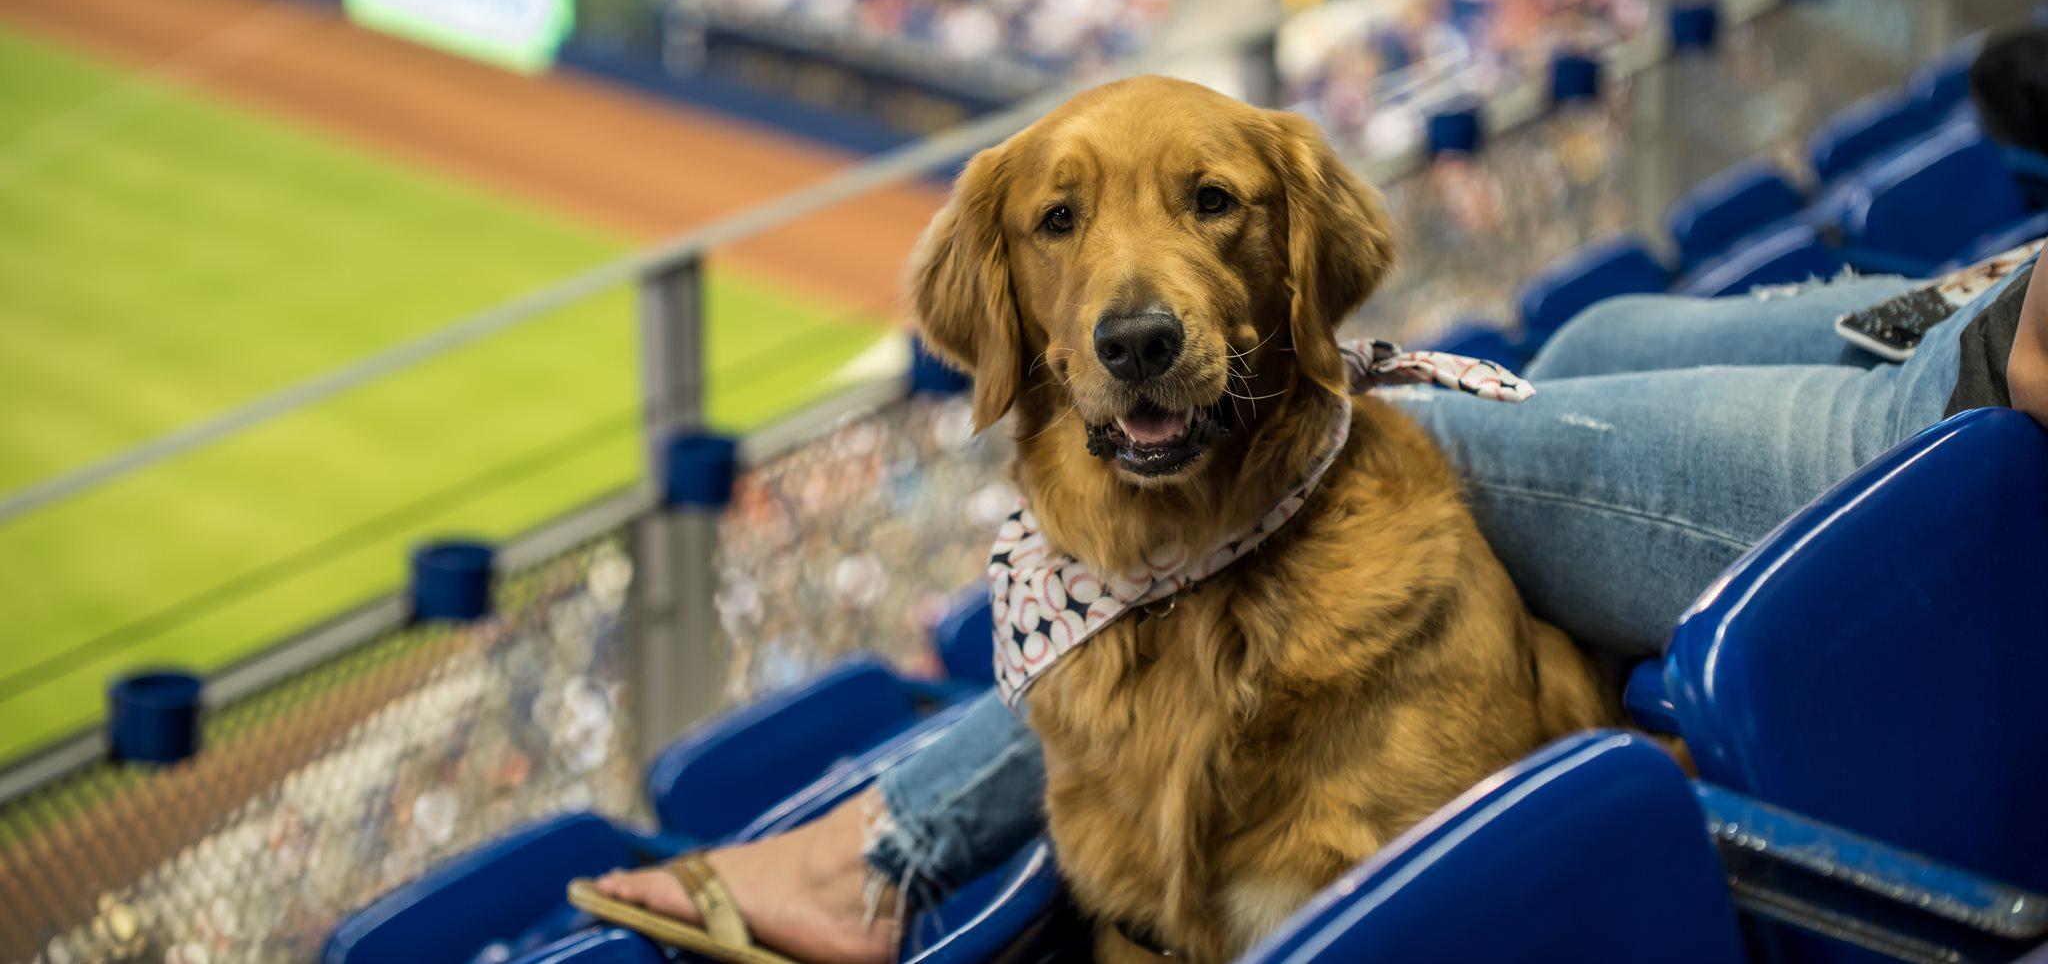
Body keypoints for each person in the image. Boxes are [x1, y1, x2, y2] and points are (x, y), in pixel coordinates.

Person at [588, 165, 2048, 964]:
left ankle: (880, 847)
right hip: (1999, 314)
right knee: (1588, 346)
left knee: (1398, 430)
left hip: (1988, 416)